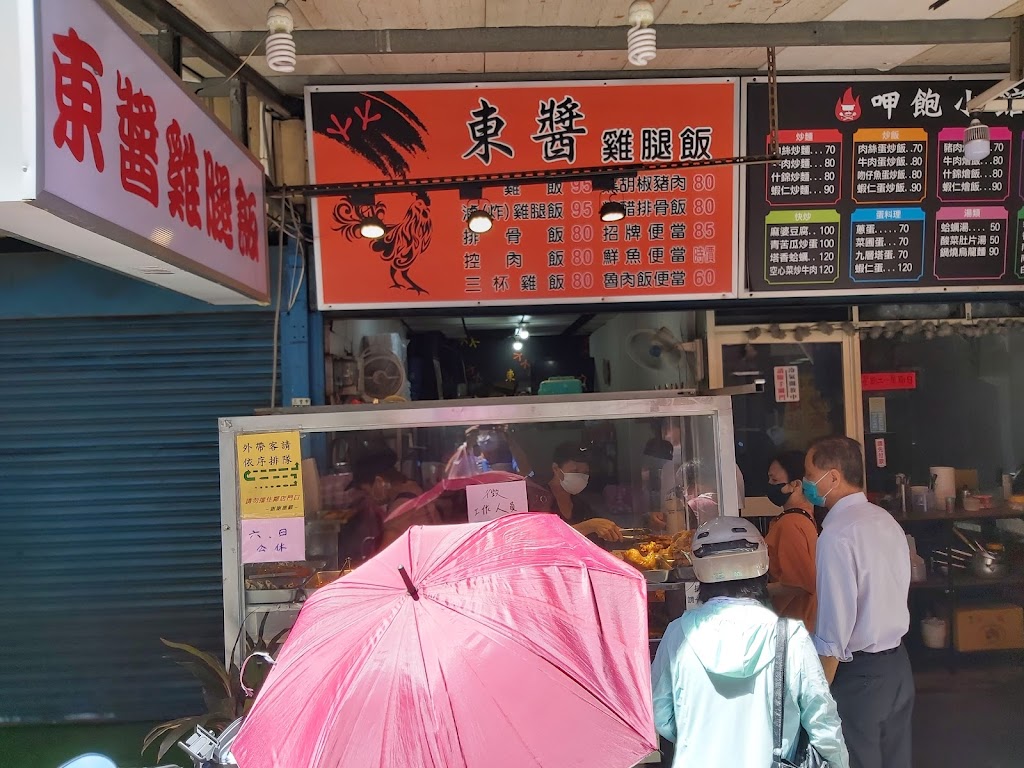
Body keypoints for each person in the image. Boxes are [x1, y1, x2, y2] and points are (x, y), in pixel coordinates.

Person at [651, 516, 849, 768]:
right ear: (762, 566)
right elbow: (822, 720)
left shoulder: (677, 634)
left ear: (699, 571)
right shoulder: (790, 637)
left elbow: (660, 713)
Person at [804, 436, 912, 768]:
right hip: (898, 668)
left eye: (810, 475)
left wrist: (816, 697)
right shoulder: (885, 520)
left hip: (860, 677)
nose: (806, 483)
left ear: (832, 477)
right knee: (896, 759)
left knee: (856, 760)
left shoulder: (836, 535)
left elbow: (834, 633)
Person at [765, 450, 819, 631]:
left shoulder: (790, 523)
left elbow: (800, 584)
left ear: (795, 485)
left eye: (774, 480)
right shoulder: (804, 518)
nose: (769, 485)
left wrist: (757, 591)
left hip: (794, 625)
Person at [351, 446, 439, 551]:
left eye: (366, 491)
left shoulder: (400, 510)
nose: (368, 498)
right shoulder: (413, 488)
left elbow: (383, 557)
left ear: (379, 482)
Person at [547, 442, 622, 542]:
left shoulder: (581, 506)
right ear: (556, 469)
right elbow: (543, 537)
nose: (580, 477)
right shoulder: (539, 499)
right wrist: (588, 526)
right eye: (575, 471)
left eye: (585, 473)